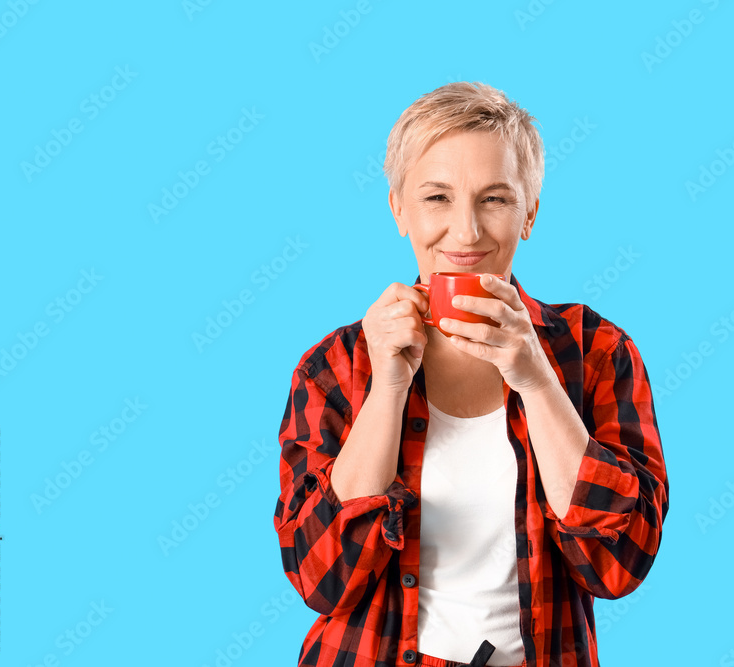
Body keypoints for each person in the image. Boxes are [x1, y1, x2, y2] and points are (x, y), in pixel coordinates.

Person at [273, 81, 668, 667]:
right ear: (397, 209)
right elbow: (320, 580)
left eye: (495, 199)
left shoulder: (597, 351)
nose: (466, 232)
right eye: (437, 198)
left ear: (529, 212)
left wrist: (536, 378)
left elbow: (618, 566)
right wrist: (388, 385)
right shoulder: (334, 366)